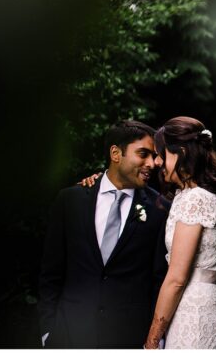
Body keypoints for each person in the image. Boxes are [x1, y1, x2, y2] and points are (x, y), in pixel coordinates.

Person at [38, 120, 169, 348]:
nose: (152, 163)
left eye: (154, 156)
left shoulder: (160, 209)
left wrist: (155, 339)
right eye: (143, 154)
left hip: (129, 337)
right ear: (116, 153)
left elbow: (159, 280)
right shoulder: (70, 201)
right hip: (69, 335)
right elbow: (51, 272)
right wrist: (48, 330)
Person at [144, 116, 216, 349]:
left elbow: (176, 279)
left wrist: (151, 341)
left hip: (195, 315)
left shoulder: (195, 199)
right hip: (205, 306)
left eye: (161, 154)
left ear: (181, 152)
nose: (157, 162)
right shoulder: (198, 195)